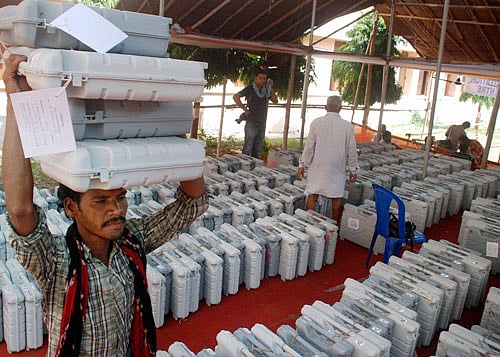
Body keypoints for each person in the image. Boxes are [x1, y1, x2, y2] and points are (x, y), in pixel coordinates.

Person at [2, 54, 209, 356]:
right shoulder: (55, 261)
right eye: (100, 201)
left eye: (120, 197)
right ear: (71, 208)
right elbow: (20, 210)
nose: (117, 210)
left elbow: (191, 204)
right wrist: (15, 101)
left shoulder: (131, 243)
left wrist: (172, 133)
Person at [296, 95, 358, 223]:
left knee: (313, 194)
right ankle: (333, 226)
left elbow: (309, 147)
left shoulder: (316, 123)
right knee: (336, 197)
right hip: (337, 167)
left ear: (325, 107)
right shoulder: (347, 127)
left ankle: (309, 223)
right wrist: (353, 169)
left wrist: (302, 165)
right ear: (340, 108)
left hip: (318, 166)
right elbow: (352, 150)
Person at [233, 69, 278, 158]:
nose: (262, 80)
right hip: (251, 122)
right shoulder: (250, 89)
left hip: (262, 122)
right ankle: (244, 167)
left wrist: (270, 88)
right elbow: (236, 97)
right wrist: (245, 109)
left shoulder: (266, 91)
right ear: (256, 78)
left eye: (264, 78)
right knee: (247, 147)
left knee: (257, 148)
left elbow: (275, 101)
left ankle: (254, 168)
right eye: (260, 78)